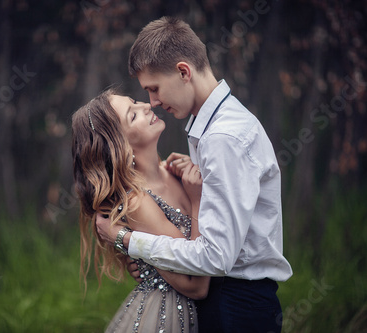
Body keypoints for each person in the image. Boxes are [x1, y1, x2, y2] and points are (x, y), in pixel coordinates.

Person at [96, 17, 293, 333]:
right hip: (226, 298)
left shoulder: (223, 138)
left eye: (154, 89)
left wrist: (130, 241)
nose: (154, 103)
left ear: (183, 72)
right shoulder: (210, 130)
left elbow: (215, 257)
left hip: (237, 305)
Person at [72, 88, 211, 332]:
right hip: (170, 317)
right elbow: (196, 285)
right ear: (120, 145)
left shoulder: (173, 171)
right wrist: (199, 201)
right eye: (133, 116)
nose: (146, 106)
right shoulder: (137, 202)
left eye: (135, 102)